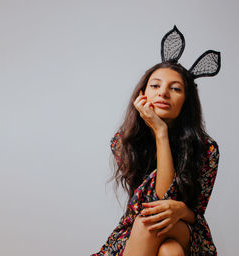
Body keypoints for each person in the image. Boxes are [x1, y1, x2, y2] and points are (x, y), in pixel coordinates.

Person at [91, 26, 221, 256]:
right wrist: (160, 132)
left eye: (175, 88)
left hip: (187, 230)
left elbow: (192, 213)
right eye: (155, 85)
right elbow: (154, 204)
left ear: (186, 101)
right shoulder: (123, 142)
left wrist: (180, 209)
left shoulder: (206, 148)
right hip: (143, 228)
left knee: (151, 224)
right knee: (169, 251)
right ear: (143, 94)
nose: (163, 93)